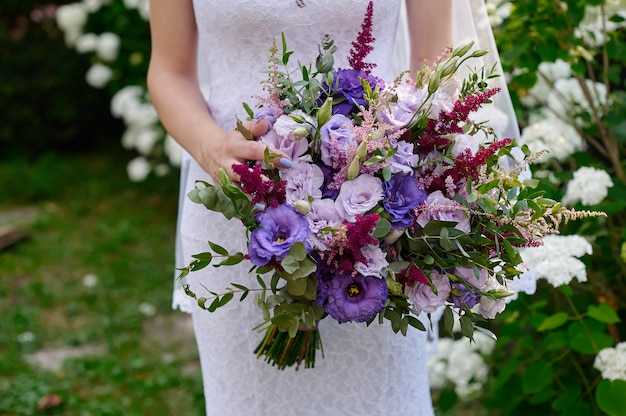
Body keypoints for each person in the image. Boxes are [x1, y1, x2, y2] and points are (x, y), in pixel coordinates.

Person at [147, 1, 513, 415]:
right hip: (235, 205)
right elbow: (168, 69)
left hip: (376, 218)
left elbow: (435, 68)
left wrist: (395, 166)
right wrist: (210, 147)